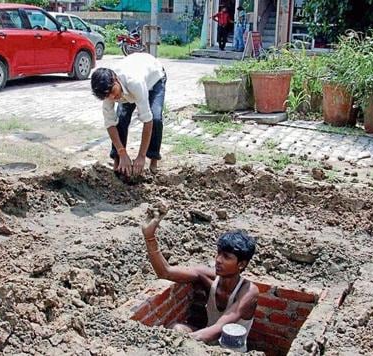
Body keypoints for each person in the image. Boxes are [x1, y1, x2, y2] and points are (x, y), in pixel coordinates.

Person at [141, 205, 259, 350]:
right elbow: (165, 272)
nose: (218, 260)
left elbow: (219, 328)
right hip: (206, 341)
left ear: (241, 264)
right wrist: (149, 237)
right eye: (219, 253)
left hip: (230, 350)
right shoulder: (207, 276)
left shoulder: (248, 291)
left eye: (226, 257)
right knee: (176, 329)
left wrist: (173, 344)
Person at [91, 53, 166, 176]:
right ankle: (118, 160)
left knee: (156, 118)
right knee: (121, 120)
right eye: (107, 96)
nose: (113, 97)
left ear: (115, 79)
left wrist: (141, 156)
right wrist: (122, 152)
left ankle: (153, 159)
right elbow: (110, 124)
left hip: (154, 79)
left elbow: (148, 121)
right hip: (128, 84)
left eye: (113, 92)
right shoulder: (107, 92)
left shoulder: (134, 82)